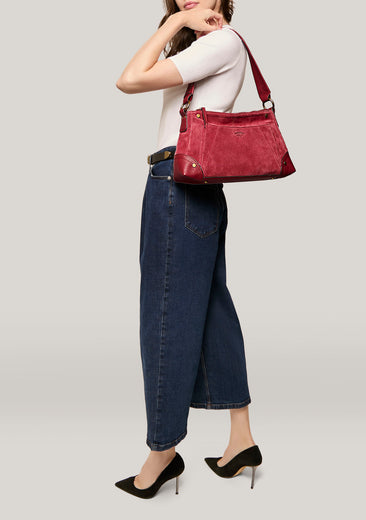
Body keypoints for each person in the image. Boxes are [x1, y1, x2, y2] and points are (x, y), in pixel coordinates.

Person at [114, 0, 262, 499]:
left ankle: (161, 452)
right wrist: (181, 27)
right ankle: (240, 439)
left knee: (165, 314)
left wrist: (175, 22)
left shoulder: (219, 42)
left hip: (175, 185)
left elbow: (129, 79)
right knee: (212, 309)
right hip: (197, 188)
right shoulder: (207, 46)